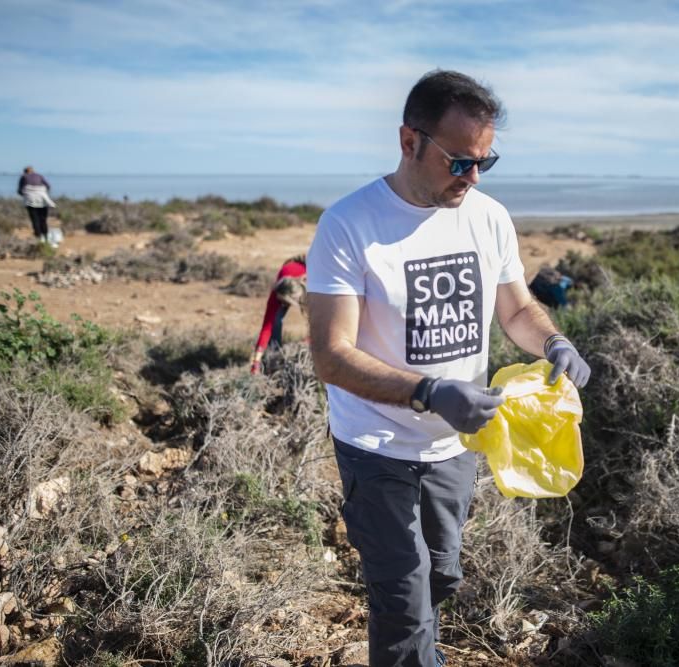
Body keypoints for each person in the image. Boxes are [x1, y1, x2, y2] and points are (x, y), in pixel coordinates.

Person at [305, 70, 591, 667]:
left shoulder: (487, 217)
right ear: (410, 141)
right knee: (404, 605)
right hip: (376, 444)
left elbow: (515, 309)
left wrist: (554, 341)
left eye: (486, 161)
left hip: (455, 446)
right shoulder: (348, 225)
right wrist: (429, 392)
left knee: (440, 579)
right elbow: (332, 355)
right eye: (459, 161)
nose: (474, 177)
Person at [249, 255, 307, 374]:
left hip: (307, 284)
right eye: (282, 302)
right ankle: (274, 357)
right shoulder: (277, 293)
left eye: (287, 303)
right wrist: (256, 361)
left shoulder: (314, 285)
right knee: (275, 320)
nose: (284, 305)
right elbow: (267, 327)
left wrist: (306, 343)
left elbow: (319, 323)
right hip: (290, 285)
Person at [17, 166, 56, 244]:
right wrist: (42, 193)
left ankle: (38, 237)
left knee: (35, 219)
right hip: (42, 200)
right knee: (43, 219)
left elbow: (20, 190)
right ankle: (45, 237)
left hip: (31, 201)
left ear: (25, 171)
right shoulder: (39, 176)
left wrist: (26, 194)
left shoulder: (23, 177)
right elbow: (48, 186)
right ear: (33, 171)